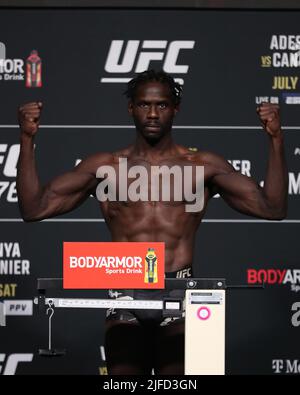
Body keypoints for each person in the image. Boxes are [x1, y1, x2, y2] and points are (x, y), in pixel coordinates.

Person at [17, 70, 288, 375]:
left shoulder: (203, 167)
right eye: (145, 105)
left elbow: (273, 207)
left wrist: (276, 138)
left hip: (182, 290)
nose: (153, 114)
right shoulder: (105, 168)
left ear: (176, 108)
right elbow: (33, 208)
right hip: (124, 293)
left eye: (162, 105)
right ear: (131, 108)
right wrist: (27, 139)